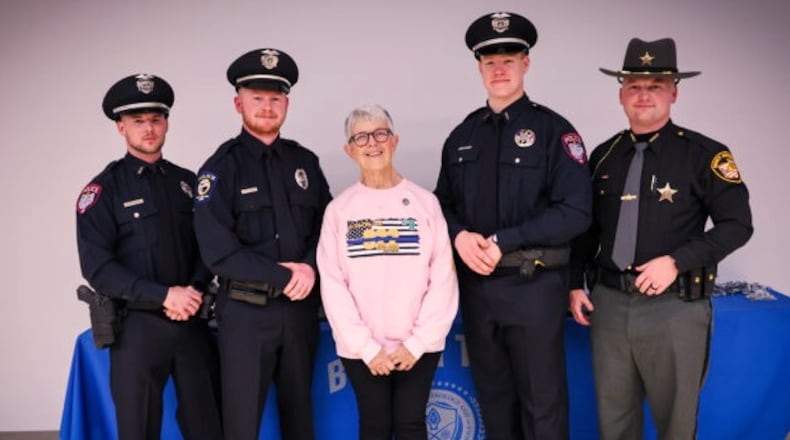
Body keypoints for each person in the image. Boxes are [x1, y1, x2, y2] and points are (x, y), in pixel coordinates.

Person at [569, 38, 753, 439]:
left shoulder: (705, 154)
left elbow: (737, 224)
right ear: (621, 94)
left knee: (676, 424)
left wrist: (676, 261)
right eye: (634, 86)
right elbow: (587, 230)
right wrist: (573, 284)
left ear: (674, 92)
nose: (643, 95)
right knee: (614, 422)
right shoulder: (604, 156)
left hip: (674, 308)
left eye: (655, 85)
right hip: (610, 305)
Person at [433, 12, 592, 439]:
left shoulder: (555, 131)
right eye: (489, 61)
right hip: (478, 289)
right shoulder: (462, 135)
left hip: (533, 286)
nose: (499, 69)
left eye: (509, 58)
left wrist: (505, 240)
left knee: (543, 406)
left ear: (527, 63)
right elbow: (440, 205)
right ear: (479, 68)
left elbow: (576, 212)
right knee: (495, 403)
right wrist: (459, 236)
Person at [193, 48, 332, 440]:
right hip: (246, 313)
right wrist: (284, 275)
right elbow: (218, 251)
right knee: (242, 422)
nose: (267, 107)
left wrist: (308, 266)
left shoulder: (304, 162)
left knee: (300, 417)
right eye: (257, 98)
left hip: (300, 311)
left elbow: (327, 227)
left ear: (286, 103)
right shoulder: (220, 168)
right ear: (239, 103)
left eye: (275, 98)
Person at [75, 74, 222, 439]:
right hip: (137, 329)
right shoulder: (103, 191)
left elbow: (209, 246)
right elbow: (99, 268)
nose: (149, 128)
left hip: (192, 322)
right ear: (120, 127)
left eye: (155, 119)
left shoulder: (188, 183)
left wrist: (193, 290)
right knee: (139, 429)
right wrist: (163, 295)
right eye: (138, 121)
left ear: (166, 122)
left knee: (207, 426)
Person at [317, 105, 459, 439]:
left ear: (394, 141)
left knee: (410, 424)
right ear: (349, 150)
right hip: (361, 349)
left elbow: (443, 277)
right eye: (361, 137)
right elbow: (333, 285)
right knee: (375, 425)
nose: (372, 143)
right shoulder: (339, 211)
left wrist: (418, 342)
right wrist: (367, 348)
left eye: (380, 133)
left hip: (418, 346)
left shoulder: (425, 203)